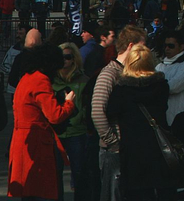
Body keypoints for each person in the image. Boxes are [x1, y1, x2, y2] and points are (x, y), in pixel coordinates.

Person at [105, 43, 177, 200]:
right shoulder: (161, 86)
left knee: (137, 192)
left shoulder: (122, 90)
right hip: (159, 146)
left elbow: (110, 111)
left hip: (133, 149)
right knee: (164, 190)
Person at [8, 43, 76, 201]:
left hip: (22, 138)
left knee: (29, 191)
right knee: (40, 191)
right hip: (37, 141)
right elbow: (54, 115)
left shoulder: (26, 78)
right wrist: (69, 103)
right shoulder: (40, 80)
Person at [91, 24, 148, 201]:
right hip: (114, 149)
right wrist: (113, 142)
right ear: (131, 46)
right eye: (142, 47)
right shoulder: (109, 74)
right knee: (113, 193)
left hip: (129, 146)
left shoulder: (126, 73)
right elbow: (97, 111)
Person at [52, 41, 93, 201]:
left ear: (74, 59)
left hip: (78, 132)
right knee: (55, 176)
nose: (64, 60)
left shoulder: (84, 79)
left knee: (80, 174)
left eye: (68, 57)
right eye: (61, 57)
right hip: (56, 133)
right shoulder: (51, 80)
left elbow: (87, 107)